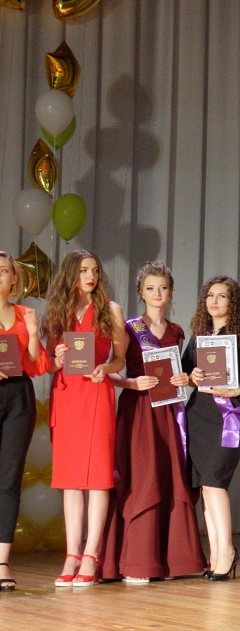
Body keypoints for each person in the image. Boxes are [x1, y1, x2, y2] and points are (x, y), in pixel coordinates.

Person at [102, 262, 206, 583]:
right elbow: (110, 370)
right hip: (138, 410)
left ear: (170, 292)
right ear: (140, 293)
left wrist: (184, 378)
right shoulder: (129, 327)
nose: (157, 293)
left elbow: (181, 373)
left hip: (170, 411)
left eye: (162, 288)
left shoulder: (177, 331)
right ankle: (138, 561)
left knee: (169, 477)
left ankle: (173, 561)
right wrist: (131, 383)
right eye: (150, 288)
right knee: (143, 478)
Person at [43, 250, 127, 587]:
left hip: (96, 394)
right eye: (82, 271)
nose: (90, 277)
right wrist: (57, 358)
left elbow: (120, 359)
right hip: (66, 397)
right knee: (71, 479)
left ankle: (92, 554)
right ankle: (72, 554)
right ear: (70, 275)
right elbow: (48, 365)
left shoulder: (111, 310)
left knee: (98, 477)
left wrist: (105, 367)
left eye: (94, 270)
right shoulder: (57, 313)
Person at [183, 276, 240, 581]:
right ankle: (217, 553)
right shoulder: (200, 334)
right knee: (206, 485)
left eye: (222, 296)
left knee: (215, 480)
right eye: (210, 296)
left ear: (233, 301)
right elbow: (186, 372)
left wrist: (235, 390)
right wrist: (191, 376)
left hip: (229, 414)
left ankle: (228, 551)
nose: (215, 301)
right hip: (199, 414)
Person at [0, 252, 49, 592]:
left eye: (4, 270)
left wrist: (32, 333)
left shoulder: (24, 313)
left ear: (15, 278)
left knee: (8, 479)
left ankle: (2, 562)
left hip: (18, 397)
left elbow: (36, 363)